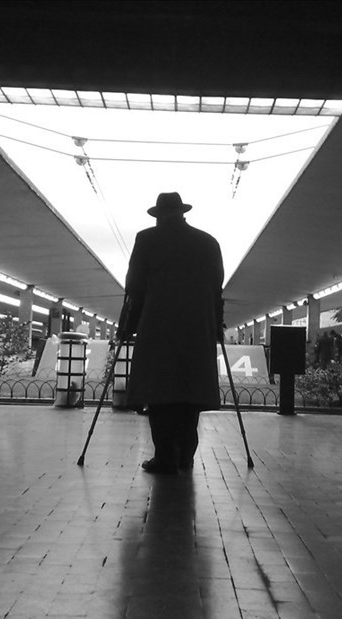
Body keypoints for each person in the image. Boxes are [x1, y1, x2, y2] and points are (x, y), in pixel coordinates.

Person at [117, 192, 224, 474]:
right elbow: (217, 289)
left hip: (158, 327)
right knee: (190, 393)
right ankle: (185, 456)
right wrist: (217, 326)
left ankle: (164, 457)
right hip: (197, 329)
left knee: (160, 393)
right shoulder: (208, 242)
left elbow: (134, 287)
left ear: (158, 215)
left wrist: (127, 326)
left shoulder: (147, 239)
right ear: (182, 213)